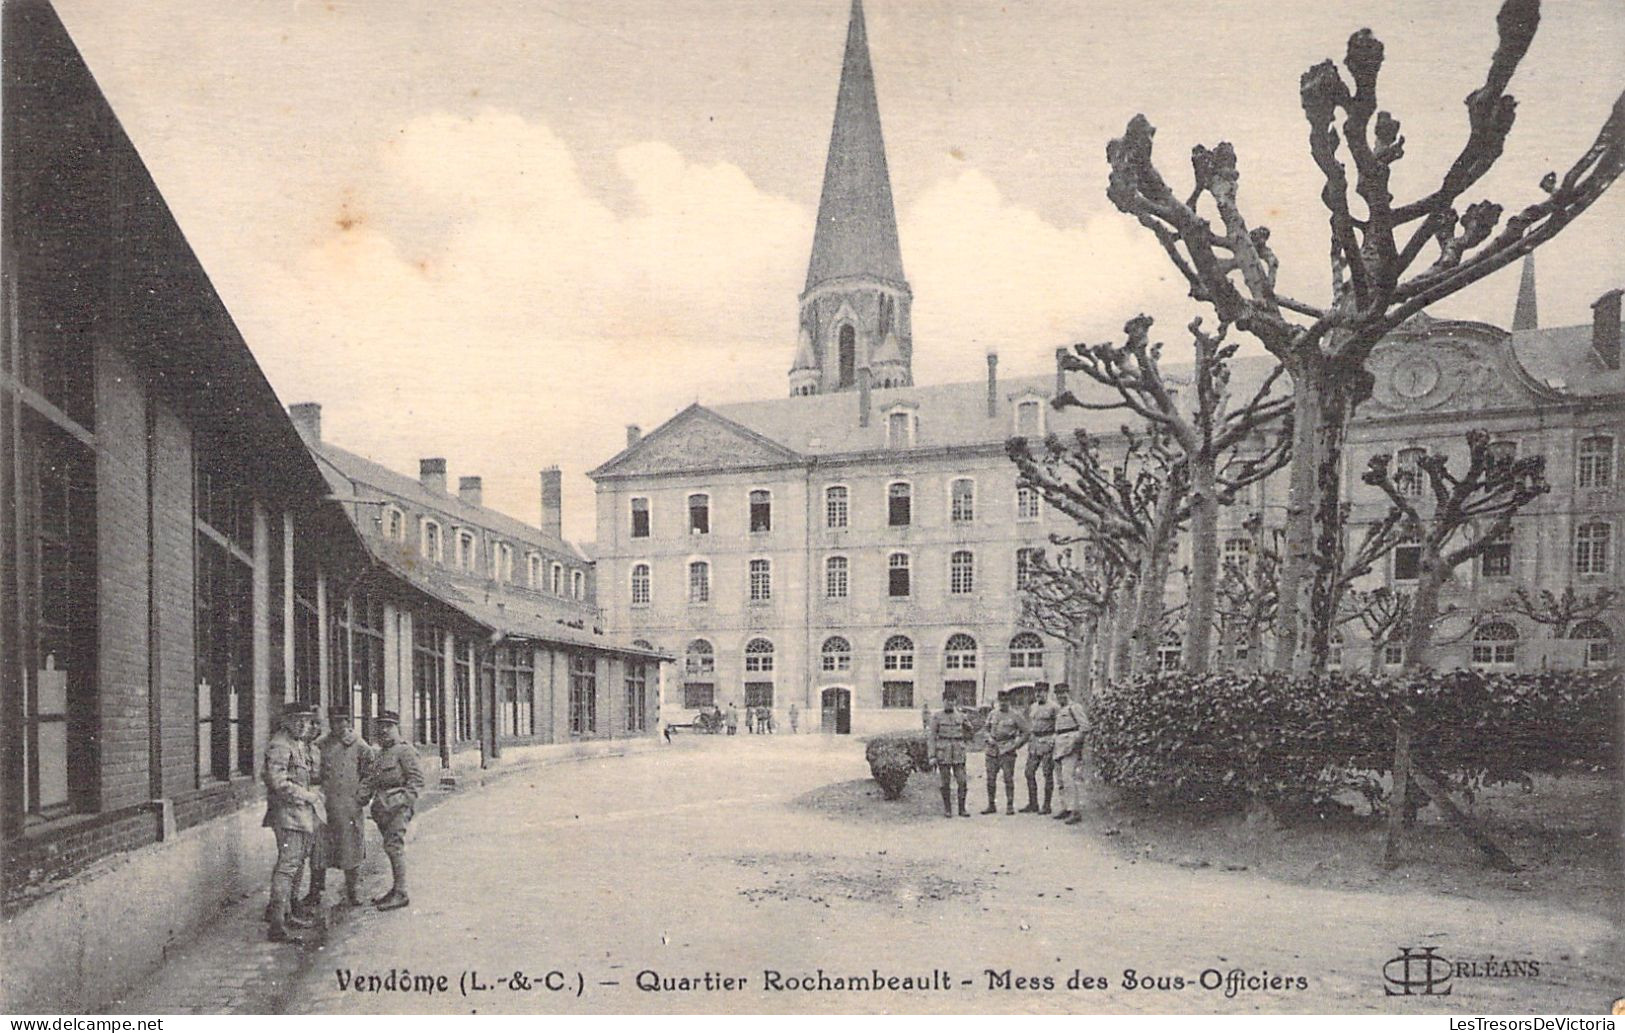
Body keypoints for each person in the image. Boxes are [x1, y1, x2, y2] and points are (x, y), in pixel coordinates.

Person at [301, 705, 374, 910]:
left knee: (350, 848)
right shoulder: (321, 744)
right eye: (334, 721)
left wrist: (363, 795)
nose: (338, 725)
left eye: (342, 721)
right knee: (319, 849)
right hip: (324, 806)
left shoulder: (360, 745)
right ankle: (315, 891)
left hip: (348, 806)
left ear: (348, 722)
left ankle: (352, 891)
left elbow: (371, 772)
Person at [261, 701, 322, 942]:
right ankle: (276, 924)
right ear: (286, 721)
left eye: (306, 720)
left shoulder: (298, 744)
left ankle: (287, 912)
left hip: (301, 815)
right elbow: (277, 783)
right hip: (287, 815)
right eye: (297, 720)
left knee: (296, 865)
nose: (302, 724)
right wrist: (307, 796)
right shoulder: (279, 745)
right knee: (287, 868)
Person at [360, 710, 424, 910]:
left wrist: (402, 803)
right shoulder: (380, 753)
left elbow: (417, 782)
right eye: (381, 727)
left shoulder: (405, 751)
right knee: (390, 847)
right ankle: (396, 889)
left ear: (397, 728)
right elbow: (371, 780)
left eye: (389, 726)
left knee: (394, 848)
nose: (384, 730)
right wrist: (361, 796)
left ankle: (401, 893)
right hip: (382, 809)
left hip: (398, 808)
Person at [981, 690, 1030, 815]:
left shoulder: (1015, 715)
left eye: (1006, 701)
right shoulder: (992, 714)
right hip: (992, 750)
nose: (1003, 703)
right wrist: (989, 738)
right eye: (1001, 701)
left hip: (1007, 750)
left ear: (1009, 701)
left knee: (1008, 778)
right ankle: (991, 804)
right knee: (990, 779)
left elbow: (1026, 733)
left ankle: (1009, 805)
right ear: (998, 701)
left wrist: (1016, 745)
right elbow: (985, 729)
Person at [1050, 684, 1090, 825]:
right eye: (1058, 694)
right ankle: (1066, 807)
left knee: (1068, 778)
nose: (1060, 696)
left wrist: (1074, 742)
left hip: (1070, 747)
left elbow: (1085, 727)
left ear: (1068, 693)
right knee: (1060, 780)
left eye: (1063, 693)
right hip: (1059, 747)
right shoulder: (1060, 709)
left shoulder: (1075, 707)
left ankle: (1075, 811)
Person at [926, 695, 973, 818]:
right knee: (945, 782)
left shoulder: (961, 716)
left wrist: (967, 734)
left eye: (952, 701)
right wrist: (932, 756)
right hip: (943, 752)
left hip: (958, 752)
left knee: (962, 781)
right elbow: (931, 737)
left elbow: (971, 732)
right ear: (943, 701)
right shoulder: (937, 717)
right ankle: (948, 809)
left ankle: (962, 809)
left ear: (955, 702)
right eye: (947, 701)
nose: (950, 703)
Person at [1021, 682, 1058, 814]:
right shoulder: (1033, 707)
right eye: (1036, 691)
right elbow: (1030, 724)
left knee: (1047, 774)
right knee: (1029, 772)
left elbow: (1058, 727)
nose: (1038, 694)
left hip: (1047, 742)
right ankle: (1033, 803)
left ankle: (1047, 805)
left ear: (1047, 692)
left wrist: (1053, 740)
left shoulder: (1054, 707)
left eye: (1041, 691)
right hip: (1034, 743)